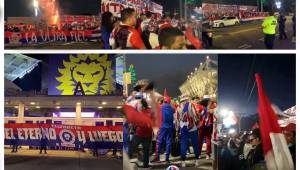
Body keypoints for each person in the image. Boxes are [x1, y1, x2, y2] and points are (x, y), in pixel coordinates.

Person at [128, 99, 153, 168]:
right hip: (148, 134)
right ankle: (145, 165)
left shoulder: (139, 113)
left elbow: (135, 124)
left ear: (142, 106)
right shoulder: (150, 112)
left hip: (139, 134)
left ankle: (128, 160)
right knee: (146, 150)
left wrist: (133, 129)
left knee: (131, 145)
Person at [179, 97, 200, 167]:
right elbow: (196, 116)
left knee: (183, 145)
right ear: (187, 99)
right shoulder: (191, 105)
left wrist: (178, 129)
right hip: (192, 128)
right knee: (195, 144)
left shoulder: (178, 107)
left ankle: (183, 161)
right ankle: (197, 160)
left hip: (183, 128)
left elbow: (176, 119)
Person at [155, 96, 175, 163]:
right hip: (170, 127)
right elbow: (174, 117)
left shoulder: (160, 107)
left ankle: (157, 158)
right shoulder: (172, 108)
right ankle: (167, 158)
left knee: (159, 142)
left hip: (162, 127)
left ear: (164, 101)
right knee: (168, 142)